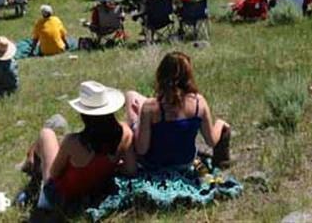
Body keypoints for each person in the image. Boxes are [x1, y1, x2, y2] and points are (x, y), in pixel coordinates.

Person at [22, 81, 135, 209]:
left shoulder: (73, 142)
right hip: (95, 190)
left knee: (46, 134)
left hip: (63, 197)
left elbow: (54, 173)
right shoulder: (125, 133)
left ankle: (35, 178)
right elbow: (130, 170)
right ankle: (30, 162)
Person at [125, 52, 231, 171]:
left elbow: (141, 149)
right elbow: (211, 141)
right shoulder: (199, 102)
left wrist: (139, 119)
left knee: (130, 96)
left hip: (154, 164)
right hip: (185, 163)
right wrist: (220, 123)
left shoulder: (150, 107)